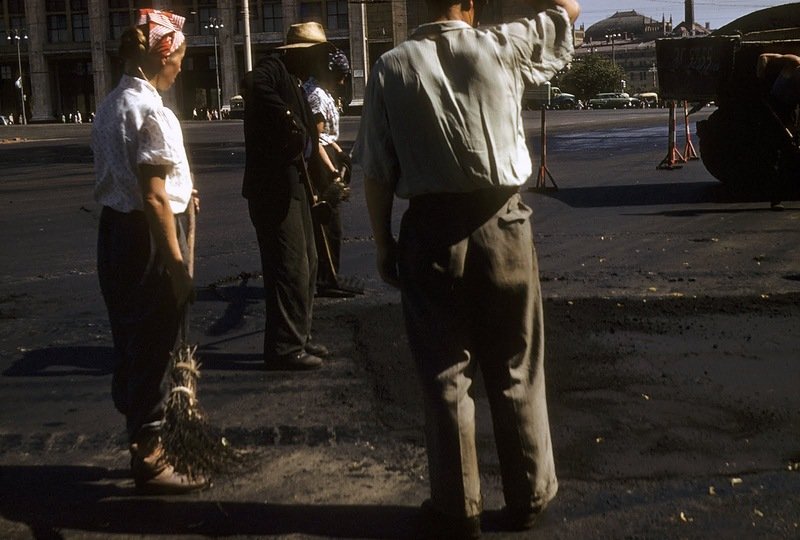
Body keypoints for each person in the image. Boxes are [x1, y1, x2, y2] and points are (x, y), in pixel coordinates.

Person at [354, 0, 580, 537]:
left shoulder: (392, 66)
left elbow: (377, 170)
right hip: (503, 224)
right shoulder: (503, 45)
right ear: (470, 7)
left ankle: (459, 508)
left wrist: (383, 242)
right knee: (516, 364)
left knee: (445, 376)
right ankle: (528, 496)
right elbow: (567, 9)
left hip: (430, 231)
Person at [92, 8, 205, 494]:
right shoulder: (152, 111)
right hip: (149, 238)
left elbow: (146, 181)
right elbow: (155, 194)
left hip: (116, 234)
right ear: (162, 55)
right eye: (179, 57)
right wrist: (177, 264)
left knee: (133, 340)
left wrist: (183, 190)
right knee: (157, 343)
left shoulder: (111, 104)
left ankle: (144, 442)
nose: (182, 66)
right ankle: (152, 460)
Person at [242, 21, 332, 370]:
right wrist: (285, 115)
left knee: (307, 265)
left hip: (295, 188)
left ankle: (300, 336)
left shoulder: (295, 81)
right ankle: (284, 348)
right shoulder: (274, 69)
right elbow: (252, 83)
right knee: (289, 268)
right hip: (272, 191)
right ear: (302, 53)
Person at [303, 48, 352, 294]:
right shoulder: (316, 96)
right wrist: (333, 171)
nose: (343, 81)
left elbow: (326, 136)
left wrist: (340, 151)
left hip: (327, 157)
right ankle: (326, 278)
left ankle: (329, 275)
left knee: (331, 220)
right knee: (330, 223)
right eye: (341, 76)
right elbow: (315, 137)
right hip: (319, 163)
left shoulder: (322, 92)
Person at [757, 53, 800, 210]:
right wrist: (761, 81)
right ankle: (775, 199)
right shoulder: (793, 61)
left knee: (791, 152)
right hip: (774, 108)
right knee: (779, 154)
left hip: (789, 109)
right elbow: (763, 57)